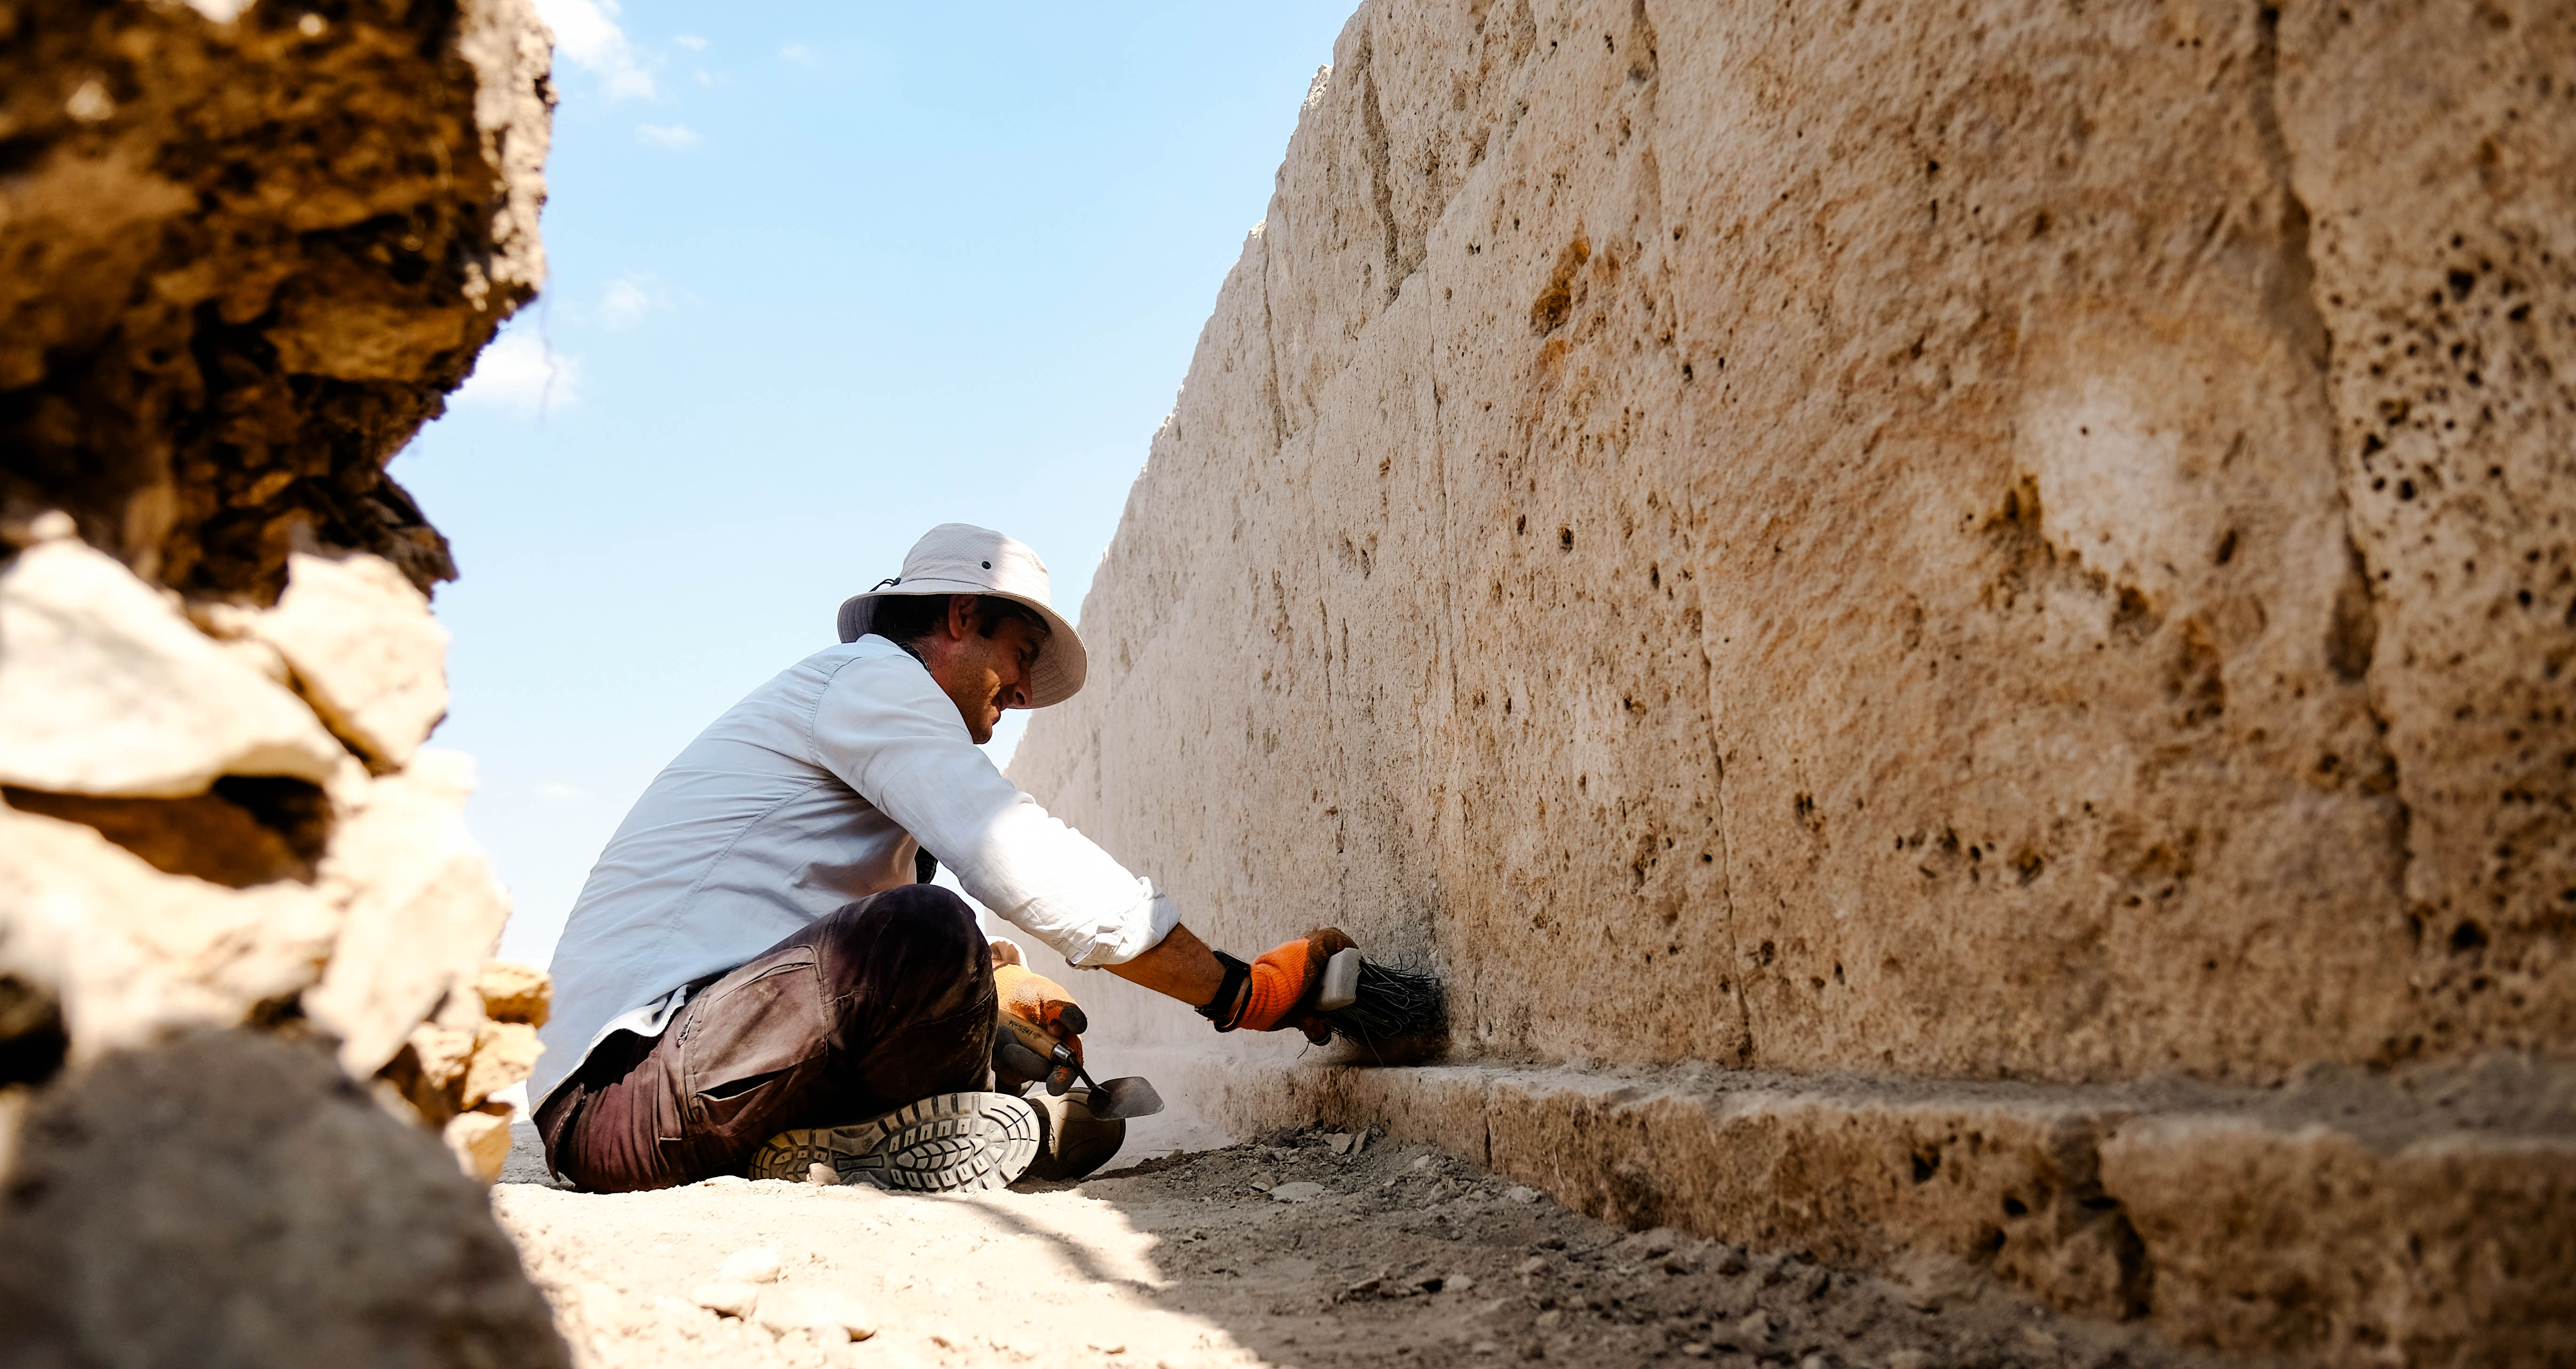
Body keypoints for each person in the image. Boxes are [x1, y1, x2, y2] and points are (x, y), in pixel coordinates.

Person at [530, 523, 1350, 1193]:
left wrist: (991, 995)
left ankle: (855, 1144)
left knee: (950, 959)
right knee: (927, 928)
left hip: (673, 1087)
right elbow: (1016, 854)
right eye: (1022, 654)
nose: (1024, 693)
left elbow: (815, 942)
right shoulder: (870, 682)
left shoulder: (868, 731)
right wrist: (1238, 991)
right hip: (621, 1096)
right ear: (962, 617)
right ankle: (957, 1120)